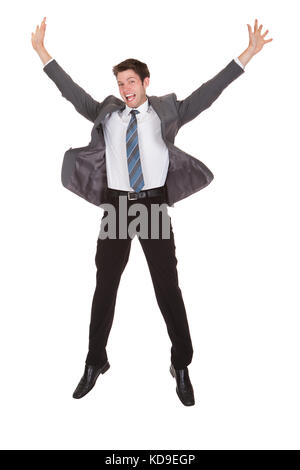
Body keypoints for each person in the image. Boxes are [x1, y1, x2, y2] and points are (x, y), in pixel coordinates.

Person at [31, 17, 273, 406]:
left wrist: (246, 55)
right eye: (120, 83)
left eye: (131, 82)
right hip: (117, 206)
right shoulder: (106, 113)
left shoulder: (168, 111)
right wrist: (43, 53)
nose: (125, 89)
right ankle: (96, 360)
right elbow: (70, 92)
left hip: (153, 205)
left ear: (146, 82)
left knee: (167, 287)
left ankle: (181, 364)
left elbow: (209, 92)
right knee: (105, 285)